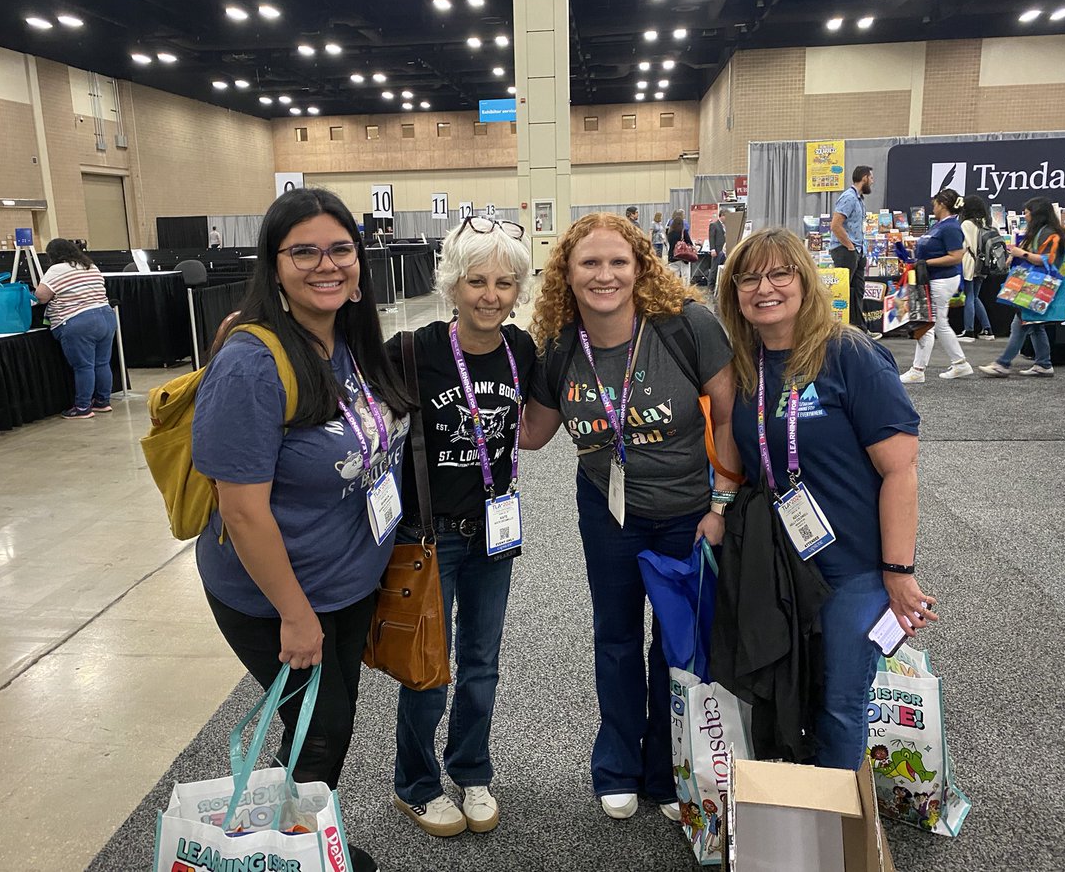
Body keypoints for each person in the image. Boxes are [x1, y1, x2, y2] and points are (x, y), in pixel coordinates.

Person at [192, 187, 413, 872]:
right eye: (305, 251)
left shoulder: (347, 340)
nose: (327, 265)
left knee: (326, 721)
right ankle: (289, 853)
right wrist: (294, 613)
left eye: (340, 249)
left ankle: (297, 841)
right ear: (275, 262)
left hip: (345, 582)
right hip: (277, 597)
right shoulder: (252, 363)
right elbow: (242, 511)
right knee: (323, 728)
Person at [520, 212, 742, 822]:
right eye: (589, 262)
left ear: (641, 266)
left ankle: (668, 771)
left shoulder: (685, 325)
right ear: (566, 272)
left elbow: (727, 417)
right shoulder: (562, 346)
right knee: (615, 637)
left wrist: (722, 501)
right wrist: (474, 371)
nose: (604, 274)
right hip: (608, 510)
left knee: (675, 642)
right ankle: (616, 764)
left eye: (618, 261)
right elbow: (533, 434)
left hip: (687, 510)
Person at [716, 227, 936, 769]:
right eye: (748, 278)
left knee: (839, 704)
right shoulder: (744, 366)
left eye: (778, 274)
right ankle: (792, 813)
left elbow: (901, 470)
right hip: (779, 568)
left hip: (852, 568)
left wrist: (898, 571)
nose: (763, 288)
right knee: (786, 696)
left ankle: (833, 833)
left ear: (804, 280)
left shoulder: (850, 355)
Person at [385, 216, 537, 837]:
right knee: (428, 662)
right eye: (477, 281)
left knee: (482, 660)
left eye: (504, 283)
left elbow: (535, 424)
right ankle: (415, 783)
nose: (490, 295)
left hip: (493, 530)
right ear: (452, 284)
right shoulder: (413, 350)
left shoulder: (520, 351)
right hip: (429, 534)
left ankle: (471, 767)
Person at [979, 196, 1065, 378]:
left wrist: (1020, 253)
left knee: (1020, 325)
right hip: (1037, 287)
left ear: (1036, 214)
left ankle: (1002, 363)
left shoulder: (1048, 234)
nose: (1025, 215)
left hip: (1037, 287)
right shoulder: (1043, 232)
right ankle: (1043, 364)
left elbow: (1046, 260)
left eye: (1027, 212)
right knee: (1034, 326)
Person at [34, 238, 117, 419]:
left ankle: (82, 408)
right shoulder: (90, 266)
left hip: (79, 321)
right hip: (106, 316)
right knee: (102, 363)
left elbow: (41, 296)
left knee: (83, 366)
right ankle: (103, 402)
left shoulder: (56, 270)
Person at [898, 188, 975, 383]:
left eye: (935, 203)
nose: (933, 206)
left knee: (930, 323)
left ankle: (919, 369)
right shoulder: (941, 225)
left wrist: (925, 263)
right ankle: (959, 363)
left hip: (942, 279)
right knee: (937, 322)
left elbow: (956, 256)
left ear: (942, 204)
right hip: (934, 278)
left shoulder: (950, 228)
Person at [829, 165, 872, 333]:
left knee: (857, 291)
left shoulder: (859, 199)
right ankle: (839, 329)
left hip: (858, 250)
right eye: (871, 178)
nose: (872, 181)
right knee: (843, 291)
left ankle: (860, 329)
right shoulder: (848, 198)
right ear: (864, 178)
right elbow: (835, 225)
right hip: (845, 250)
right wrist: (849, 247)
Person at [956, 195, 995, 342]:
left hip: (970, 264)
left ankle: (969, 331)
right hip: (984, 265)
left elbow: (963, 246)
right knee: (975, 296)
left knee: (970, 296)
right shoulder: (989, 222)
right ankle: (987, 329)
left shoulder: (966, 224)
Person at [666, 209, 693, 281]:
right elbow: (689, 243)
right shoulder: (683, 232)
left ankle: (676, 290)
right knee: (685, 276)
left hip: (672, 256)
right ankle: (685, 291)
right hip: (683, 257)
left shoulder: (669, 233)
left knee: (674, 277)